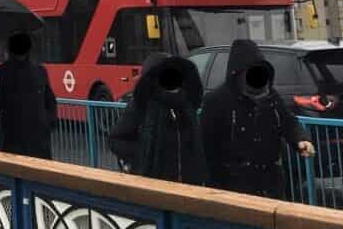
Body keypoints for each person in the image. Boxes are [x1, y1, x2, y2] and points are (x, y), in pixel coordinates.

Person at [200, 38, 315, 198]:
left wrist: (301, 139)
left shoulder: (272, 96)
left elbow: (288, 121)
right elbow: (207, 146)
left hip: (271, 181)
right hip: (233, 185)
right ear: (239, 74)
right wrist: (212, 188)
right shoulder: (216, 100)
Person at [107, 53, 206, 184]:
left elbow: (196, 147)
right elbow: (115, 140)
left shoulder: (186, 105)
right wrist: (143, 154)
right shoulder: (142, 106)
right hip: (154, 185)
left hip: (188, 186)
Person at [0, 32, 57, 158]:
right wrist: (47, 122)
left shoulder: (0, 72)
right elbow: (50, 101)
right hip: (37, 138)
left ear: (9, 49)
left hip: (13, 138)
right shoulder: (40, 71)